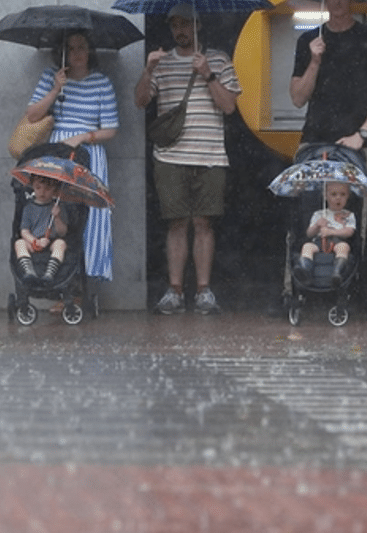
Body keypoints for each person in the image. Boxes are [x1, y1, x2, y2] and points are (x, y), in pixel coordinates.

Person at [135, 3, 241, 315]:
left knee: (203, 223)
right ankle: (175, 291)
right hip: (170, 156)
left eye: (186, 24)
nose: (181, 31)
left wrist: (208, 74)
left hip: (209, 155)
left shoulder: (219, 59)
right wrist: (148, 69)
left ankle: (204, 291)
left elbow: (230, 107)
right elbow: (140, 101)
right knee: (176, 223)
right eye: (175, 26)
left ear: (198, 25)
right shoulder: (162, 61)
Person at [25, 31, 119, 287]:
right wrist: (56, 88)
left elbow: (110, 129)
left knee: (92, 216)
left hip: (89, 152)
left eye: (82, 47)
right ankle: (61, 281)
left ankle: (87, 283)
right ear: (62, 51)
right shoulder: (52, 77)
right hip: (58, 153)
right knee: (59, 214)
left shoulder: (102, 83)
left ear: (90, 51)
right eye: (71, 48)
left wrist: (82, 137)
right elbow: (32, 115)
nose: (77, 53)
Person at [290, 0, 367, 170]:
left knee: (354, 197)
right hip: (314, 141)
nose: (337, 1)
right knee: (312, 196)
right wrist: (315, 61)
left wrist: (362, 134)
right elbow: (297, 99)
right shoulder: (308, 40)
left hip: (358, 144)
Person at [294, 181, 357, 284]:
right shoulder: (319, 214)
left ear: (348, 197)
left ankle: (337, 273)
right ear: (325, 196)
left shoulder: (348, 215)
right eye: (333, 194)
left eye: (343, 194)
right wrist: (317, 225)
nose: (338, 198)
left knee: (344, 247)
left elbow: (349, 231)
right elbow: (309, 234)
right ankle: (305, 270)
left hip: (337, 242)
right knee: (307, 246)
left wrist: (331, 231)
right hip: (318, 242)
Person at [14, 175, 70, 286]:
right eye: (38, 187)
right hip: (33, 242)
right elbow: (24, 231)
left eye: (47, 189)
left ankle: (49, 274)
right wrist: (35, 241)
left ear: (54, 190)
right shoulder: (28, 208)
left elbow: (62, 232)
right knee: (19, 243)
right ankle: (29, 272)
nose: (42, 192)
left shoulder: (57, 207)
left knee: (61, 244)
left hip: (51, 242)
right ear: (33, 187)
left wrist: (57, 217)